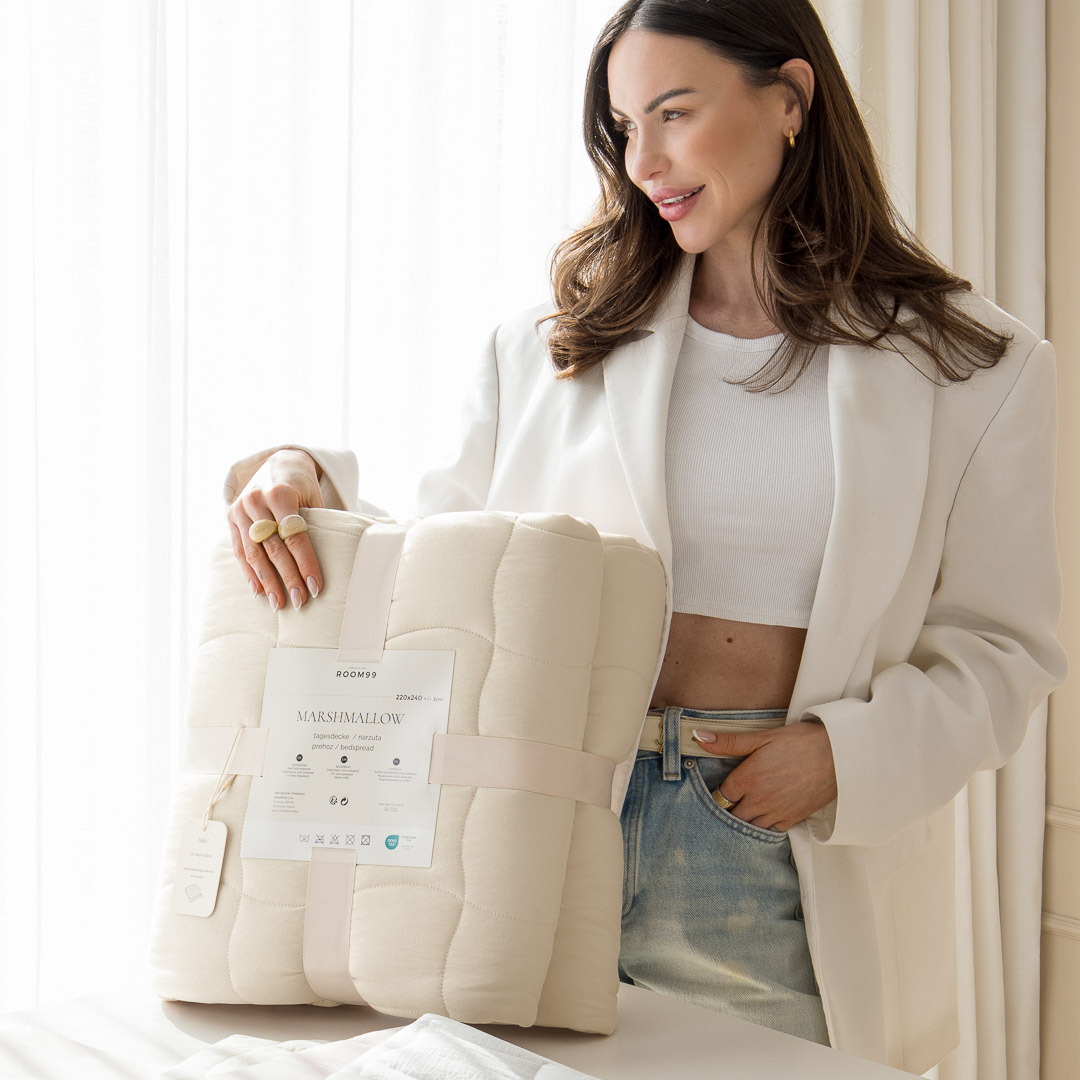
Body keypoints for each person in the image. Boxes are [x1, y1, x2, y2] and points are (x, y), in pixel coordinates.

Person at [222, 0, 1066, 1071]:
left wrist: (841, 759)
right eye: (625, 127)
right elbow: (439, 569)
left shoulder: (973, 366)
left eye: (675, 113)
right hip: (545, 821)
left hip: (763, 844)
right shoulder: (550, 345)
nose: (644, 160)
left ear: (790, 99)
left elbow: (1002, 646)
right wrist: (305, 477)